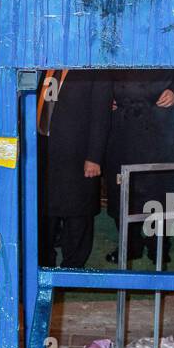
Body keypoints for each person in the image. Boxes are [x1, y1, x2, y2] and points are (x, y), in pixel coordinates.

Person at [104, 70, 174, 263]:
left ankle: (158, 245)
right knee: (123, 188)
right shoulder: (114, 40)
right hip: (123, 123)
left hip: (160, 123)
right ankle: (129, 245)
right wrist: (105, 95)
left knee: (159, 188)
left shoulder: (169, 39)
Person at [37, 69, 111, 268]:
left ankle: (73, 266)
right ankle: (44, 265)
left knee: (78, 213)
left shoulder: (94, 69)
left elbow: (101, 116)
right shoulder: (45, 67)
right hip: (44, 151)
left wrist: (94, 157)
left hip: (79, 155)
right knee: (44, 212)